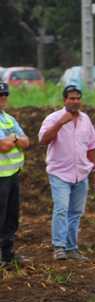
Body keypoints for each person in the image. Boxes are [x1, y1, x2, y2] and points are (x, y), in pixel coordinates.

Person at [39, 85, 95, 261]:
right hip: (60, 173)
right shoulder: (53, 118)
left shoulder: (85, 120)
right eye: (71, 98)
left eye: (77, 98)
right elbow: (43, 140)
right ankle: (59, 247)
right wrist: (60, 123)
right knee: (61, 209)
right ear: (64, 100)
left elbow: (91, 146)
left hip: (81, 172)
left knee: (75, 212)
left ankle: (72, 248)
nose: (75, 101)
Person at [0, 82, 31, 268]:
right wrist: (13, 139)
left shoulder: (8, 119)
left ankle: (7, 254)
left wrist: (12, 139)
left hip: (12, 175)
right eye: (0, 95)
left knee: (11, 216)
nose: (3, 98)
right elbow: (3, 146)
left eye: (5, 94)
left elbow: (26, 142)